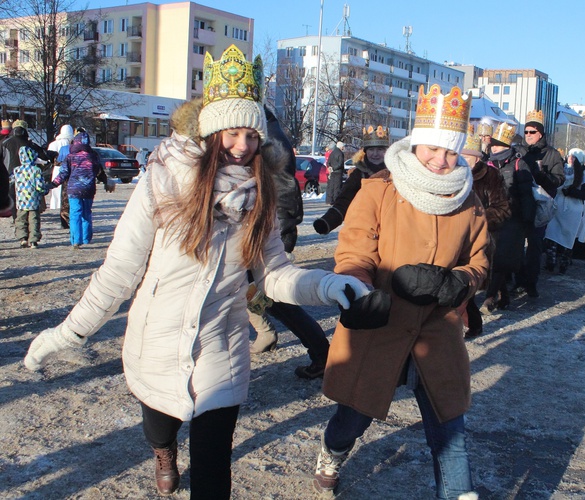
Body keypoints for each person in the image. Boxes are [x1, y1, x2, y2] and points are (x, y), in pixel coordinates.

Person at [23, 45, 368, 499]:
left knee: (212, 468)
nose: (243, 146)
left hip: (222, 348)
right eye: (232, 131)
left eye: (252, 135)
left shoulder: (261, 192)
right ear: (210, 129)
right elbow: (120, 271)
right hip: (158, 339)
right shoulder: (163, 179)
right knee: (160, 425)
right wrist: (67, 334)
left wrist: (328, 285)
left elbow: (274, 275)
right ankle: (163, 451)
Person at [312, 84, 488, 499]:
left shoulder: (469, 201)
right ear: (414, 143)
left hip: (437, 331)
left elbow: (480, 261)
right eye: (432, 149)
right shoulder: (377, 191)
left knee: (450, 434)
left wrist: (459, 281)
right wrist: (361, 289)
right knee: (352, 419)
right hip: (381, 325)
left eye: (450, 152)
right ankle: (332, 452)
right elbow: (354, 252)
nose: (441, 161)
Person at [246, 106, 332, 380]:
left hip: (270, 229)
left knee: (277, 297)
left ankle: (321, 353)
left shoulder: (266, 134)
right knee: (254, 291)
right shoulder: (265, 128)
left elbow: (283, 187)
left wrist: (276, 232)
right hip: (263, 226)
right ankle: (267, 333)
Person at [460, 127, 510, 337]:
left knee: (467, 282)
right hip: (453, 236)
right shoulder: (452, 174)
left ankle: (473, 323)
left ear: (477, 158)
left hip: (478, 238)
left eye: (467, 157)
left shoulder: (491, 175)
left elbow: (503, 209)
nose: (462, 160)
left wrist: (476, 218)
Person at [481, 121, 533, 313]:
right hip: (492, 217)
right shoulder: (486, 164)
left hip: (513, 219)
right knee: (492, 258)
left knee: (502, 258)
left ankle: (489, 297)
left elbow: (527, 194)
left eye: (498, 144)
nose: (494, 147)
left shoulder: (519, 164)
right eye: (492, 144)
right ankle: (503, 296)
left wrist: (527, 220)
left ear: (507, 146)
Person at [515, 110, 565, 297]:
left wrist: (541, 174)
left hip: (539, 206)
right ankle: (518, 281)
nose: (528, 135)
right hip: (519, 203)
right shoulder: (518, 150)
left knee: (535, 246)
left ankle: (531, 282)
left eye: (532, 132)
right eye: (526, 131)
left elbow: (559, 179)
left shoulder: (551, 154)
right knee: (517, 244)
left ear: (541, 134)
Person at [314, 125, 389, 235]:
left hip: (389, 228)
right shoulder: (359, 174)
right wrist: (328, 221)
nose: (375, 154)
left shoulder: (395, 173)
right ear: (365, 152)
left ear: (386, 151)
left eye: (379, 149)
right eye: (371, 149)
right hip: (364, 228)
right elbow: (344, 199)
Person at [48, 131, 104, 249]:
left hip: (73, 189)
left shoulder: (70, 157)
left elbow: (63, 174)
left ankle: (75, 241)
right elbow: (98, 172)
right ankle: (86, 238)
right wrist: (105, 181)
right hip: (89, 189)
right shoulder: (93, 156)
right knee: (86, 213)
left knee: (75, 214)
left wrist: (53, 184)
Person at [544, 149, 585, 273]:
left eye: (574, 157)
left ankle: (564, 264)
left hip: (572, 210)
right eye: (569, 156)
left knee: (568, 237)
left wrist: (572, 192)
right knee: (552, 234)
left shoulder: (583, 176)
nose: (570, 159)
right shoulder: (561, 170)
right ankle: (551, 262)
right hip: (558, 207)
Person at [0, 120, 49, 222]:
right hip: (29, 174)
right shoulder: (30, 143)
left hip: (9, 173)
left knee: (12, 195)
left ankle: (16, 218)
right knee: (28, 195)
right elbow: (43, 155)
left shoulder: (5, 143)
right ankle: (28, 217)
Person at [13, 146, 48, 248]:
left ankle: (23, 238)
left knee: (21, 220)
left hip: (21, 200)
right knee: (34, 220)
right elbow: (39, 186)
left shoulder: (16, 170)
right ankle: (33, 240)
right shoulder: (36, 170)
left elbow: (11, 181)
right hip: (33, 200)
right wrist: (44, 191)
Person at [46, 124, 75, 228]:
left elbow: (48, 158)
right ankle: (67, 212)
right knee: (65, 192)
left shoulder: (54, 144)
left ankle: (57, 207)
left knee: (56, 189)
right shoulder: (72, 144)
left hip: (57, 168)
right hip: (70, 170)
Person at [325, 140, 345, 205]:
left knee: (331, 186)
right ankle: (336, 200)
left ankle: (329, 200)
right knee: (337, 187)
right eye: (343, 146)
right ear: (341, 147)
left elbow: (328, 162)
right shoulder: (340, 153)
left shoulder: (332, 153)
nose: (343, 148)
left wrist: (330, 168)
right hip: (338, 172)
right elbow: (340, 163)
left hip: (332, 173)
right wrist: (334, 168)